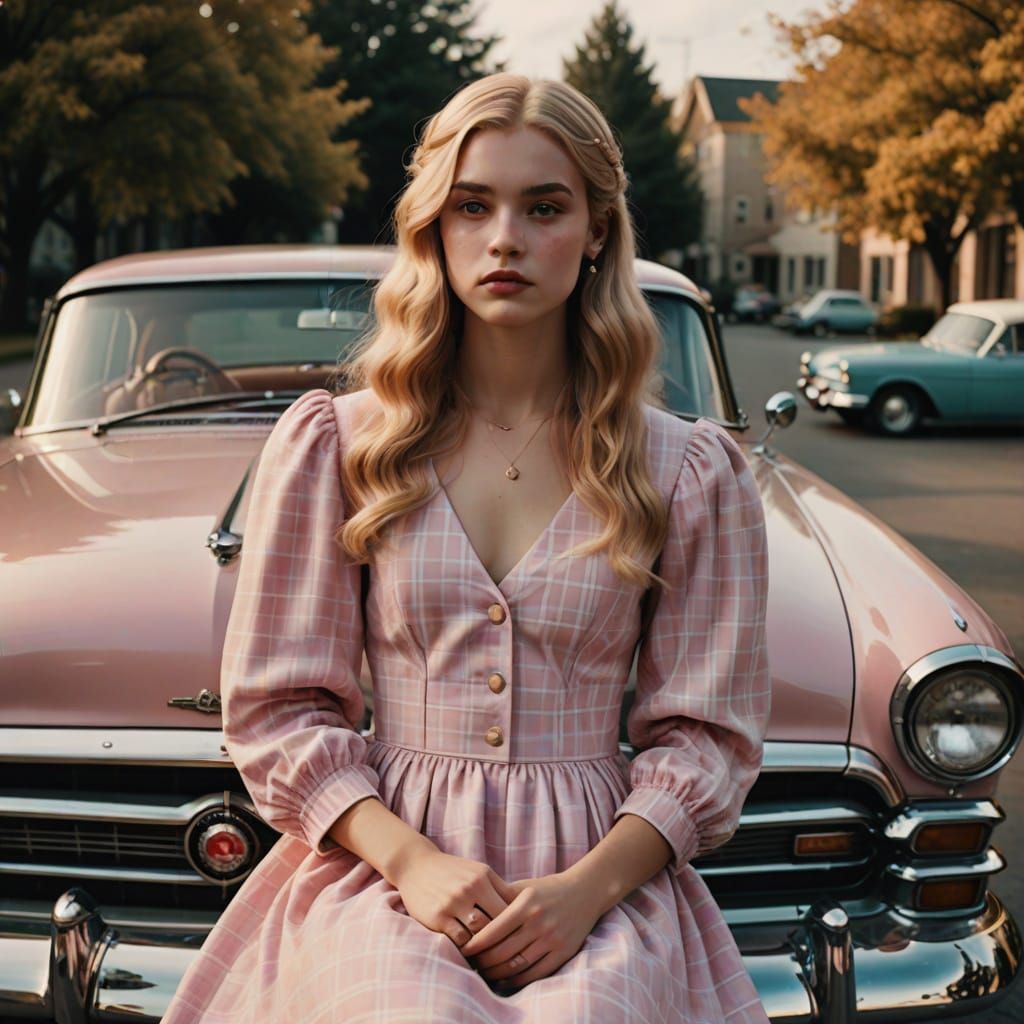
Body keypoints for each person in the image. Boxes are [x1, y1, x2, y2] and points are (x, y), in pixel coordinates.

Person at [164, 72, 771, 1023]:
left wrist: (587, 891)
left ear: (597, 230)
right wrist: (414, 863)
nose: (505, 239)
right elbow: (280, 710)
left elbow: (707, 739)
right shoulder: (340, 444)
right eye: (472, 206)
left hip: (600, 873)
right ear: (433, 228)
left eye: (545, 208)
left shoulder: (686, 468)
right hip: (382, 862)